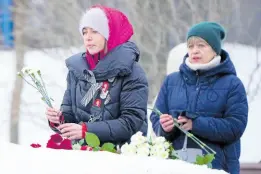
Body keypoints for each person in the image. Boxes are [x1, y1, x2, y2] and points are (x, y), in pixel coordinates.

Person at [150, 22, 248, 174]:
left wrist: (195, 124)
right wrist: (164, 127)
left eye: (201, 45)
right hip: (175, 167)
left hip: (217, 168)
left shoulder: (232, 84)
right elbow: (156, 116)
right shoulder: (171, 81)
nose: (195, 50)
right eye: (190, 46)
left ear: (215, 49)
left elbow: (235, 126)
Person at [45, 5, 149, 146]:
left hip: (122, 157)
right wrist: (58, 119)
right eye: (84, 32)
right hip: (85, 155)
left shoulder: (132, 72)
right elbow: (70, 115)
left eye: (95, 31)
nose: (88, 37)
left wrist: (86, 130)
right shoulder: (77, 70)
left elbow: (131, 123)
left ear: (110, 35)